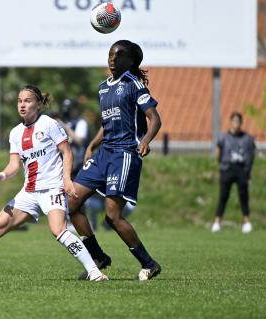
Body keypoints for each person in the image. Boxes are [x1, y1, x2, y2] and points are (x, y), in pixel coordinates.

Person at [0, 85, 107, 282]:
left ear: (38, 104)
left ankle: (95, 273)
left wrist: (67, 181)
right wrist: (1, 175)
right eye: (20, 101)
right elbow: (14, 165)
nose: (22, 105)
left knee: (58, 230)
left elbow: (67, 152)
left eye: (27, 101)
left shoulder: (49, 124)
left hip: (51, 188)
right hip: (29, 192)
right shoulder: (16, 133)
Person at [68, 40, 163, 281]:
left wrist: (146, 140)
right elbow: (106, 123)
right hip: (104, 153)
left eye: (118, 56)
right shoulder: (103, 88)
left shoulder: (134, 84)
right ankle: (98, 257)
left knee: (112, 216)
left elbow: (154, 119)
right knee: (71, 203)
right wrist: (91, 145)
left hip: (124, 153)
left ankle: (149, 264)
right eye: (111, 54)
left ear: (130, 62)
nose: (112, 59)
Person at [211, 112, 256, 234]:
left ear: (241, 123)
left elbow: (251, 154)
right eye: (234, 121)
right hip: (227, 169)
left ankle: (246, 222)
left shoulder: (247, 138)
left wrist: (248, 169)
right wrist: (222, 164)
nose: (236, 124)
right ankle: (217, 222)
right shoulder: (224, 137)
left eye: (238, 121)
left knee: (243, 196)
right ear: (230, 122)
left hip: (241, 169)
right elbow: (218, 152)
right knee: (223, 196)